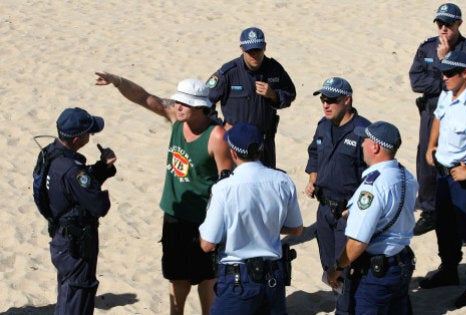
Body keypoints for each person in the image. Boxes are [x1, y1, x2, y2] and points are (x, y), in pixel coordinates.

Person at [94, 72, 233, 315]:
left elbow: (228, 184)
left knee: (207, 279)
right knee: (176, 278)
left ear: (200, 107)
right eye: (177, 101)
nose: (178, 106)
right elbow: (144, 97)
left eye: (184, 103)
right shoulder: (176, 119)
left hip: (205, 219)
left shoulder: (217, 137)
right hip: (174, 214)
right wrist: (118, 81)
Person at [418, 51, 466, 308]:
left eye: (450, 73)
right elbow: (438, 118)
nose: (445, 77)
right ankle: (449, 269)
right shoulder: (447, 95)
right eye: (443, 72)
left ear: (465, 73)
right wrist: (431, 146)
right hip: (443, 173)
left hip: (465, 178)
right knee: (445, 225)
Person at [199, 122, 303, 314]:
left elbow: (207, 243)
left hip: (237, 280)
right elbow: (296, 229)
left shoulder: (224, 188)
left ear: (233, 153)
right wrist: (265, 224)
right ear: (261, 149)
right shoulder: (282, 181)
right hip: (272, 278)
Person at [326, 121, 418, 314]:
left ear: (375, 146)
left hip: (377, 272)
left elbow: (358, 241)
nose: (361, 145)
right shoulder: (405, 175)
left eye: (365, 140)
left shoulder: (373, 186)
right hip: (401, 261)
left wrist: (337, 267)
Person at [409, 3, 466, 235]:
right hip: (431, 111)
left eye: (448, 25)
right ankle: (430, 209)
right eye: (440, 24)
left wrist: (446, 60)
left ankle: (459, 214)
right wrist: (442, 85)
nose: (443, 29)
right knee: (427, 158)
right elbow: (416, 81)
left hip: (458, 115)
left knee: (455, 158)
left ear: (458, 25)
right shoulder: (427, 47)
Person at [305, 77, 371, 314]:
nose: (325, 104)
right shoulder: (323, 125)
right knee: (329, 268)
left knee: (345, 270)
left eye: (331, 100)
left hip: (348, 215)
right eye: (323, 99)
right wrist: (313, 178)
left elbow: (372, 177)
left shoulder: (364, 132)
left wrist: (357, 208)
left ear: (347, 100)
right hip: (324, 211)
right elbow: (314, 153)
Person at [45, 107, 117, 314]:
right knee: (77, 297)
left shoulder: (51, 154)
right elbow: (99, 205)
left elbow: (74, 189)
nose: (91, 135)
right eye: (88, 133)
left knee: (68, 293)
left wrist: (103, 168)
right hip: (76, 243)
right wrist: (97, 187)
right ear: (77, 140)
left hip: (62, 237)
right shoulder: (72, 170)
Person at [206, 26, 296, 168]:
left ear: (265, 47)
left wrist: (274, 95)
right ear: (242, 49)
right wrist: (219, 127)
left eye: (258, 50)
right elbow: (205, 100)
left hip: (263, 145)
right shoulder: (229, 72)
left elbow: (290, 93)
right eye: (250, 51)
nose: (254, 55)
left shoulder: (274, 69)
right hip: (234, 146)